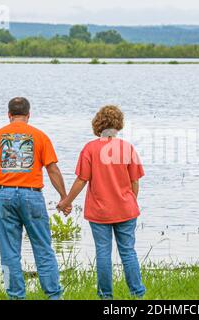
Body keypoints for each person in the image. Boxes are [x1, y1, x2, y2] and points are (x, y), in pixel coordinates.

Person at [0, 97, 71, 300]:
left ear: (9, 115)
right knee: (43, 249)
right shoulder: (40, 136)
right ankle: (54, 296)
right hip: (32, 196)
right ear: (28, 115)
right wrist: (64, 197)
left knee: (9, 253)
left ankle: (15, 296)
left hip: (5, 195)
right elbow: (52, 169)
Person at [57, 105, 146, 299]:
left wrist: (66, 201)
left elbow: (81, 180)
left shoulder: (90, 149)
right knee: (128, 252)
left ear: (98, 124)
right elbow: (134, 181)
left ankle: (106, 296)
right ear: (118, 125)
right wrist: (130, 202)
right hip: (126, 209)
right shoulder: (127, 148)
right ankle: (138, 294)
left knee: (103, 253)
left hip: (100, 212)